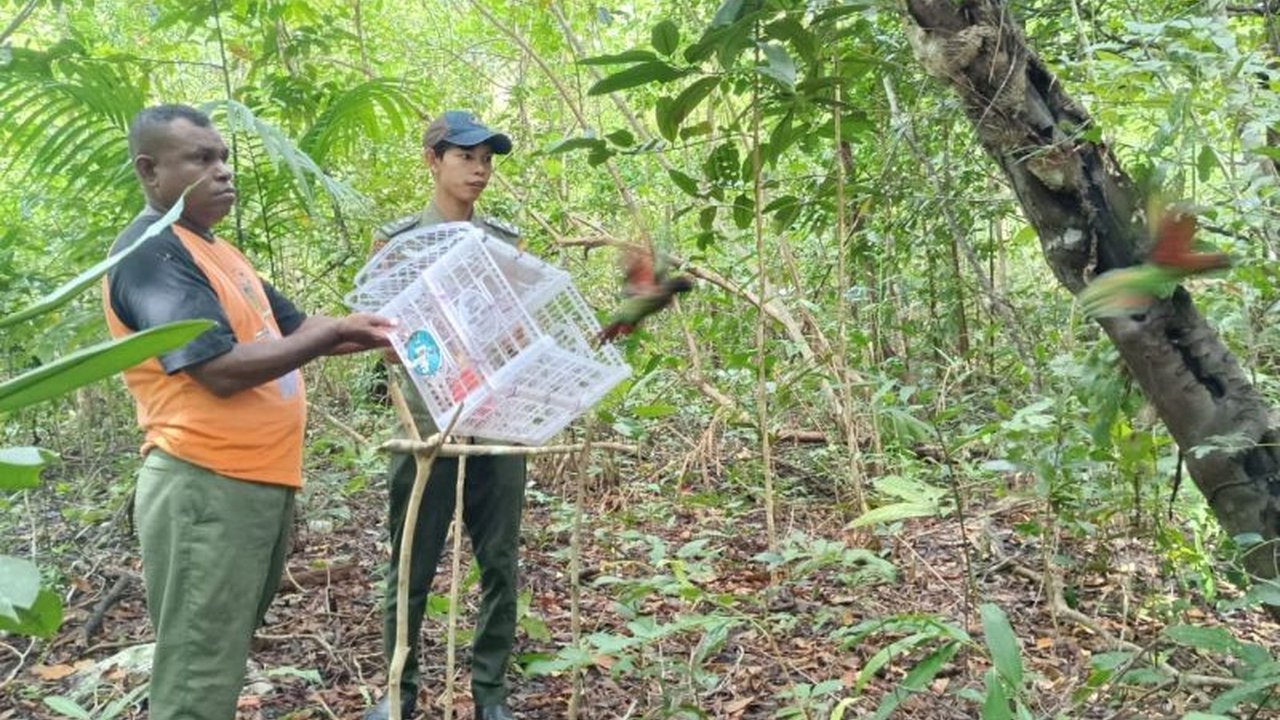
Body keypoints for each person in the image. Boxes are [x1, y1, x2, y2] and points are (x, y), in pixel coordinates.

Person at [102, 104, 394, 720]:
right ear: (150, 171)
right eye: (201, 159)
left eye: (225, 157)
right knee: (197, 674)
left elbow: (298, 329)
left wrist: (380, 331)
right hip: (205, 485)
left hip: (254, 483)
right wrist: (335, 331)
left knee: (220, 652)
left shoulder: (216, 252)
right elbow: (218, 371)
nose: (223, 171)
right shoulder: (151, 253)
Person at [364, 111, 525, 720]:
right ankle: (398, 694)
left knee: (499, 562)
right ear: (433, 160)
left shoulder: (505, 241)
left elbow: (518, 326)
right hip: (426, 419)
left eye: (487, 158)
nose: (480, 169)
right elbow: (377, 329)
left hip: (498, 415)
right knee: (412, 559)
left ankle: (490, 695)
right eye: (465, 156)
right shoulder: (399, 240)